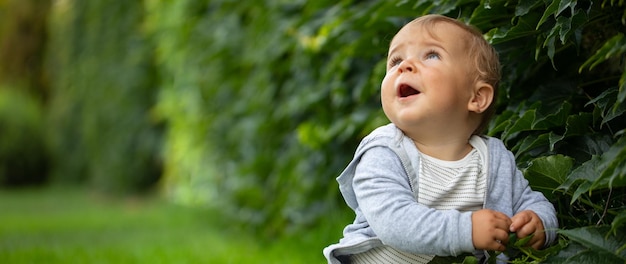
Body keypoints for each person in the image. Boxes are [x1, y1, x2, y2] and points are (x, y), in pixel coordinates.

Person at [323, 14, 558, 264]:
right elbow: (393, 221)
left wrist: (538, 222)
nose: (405, 66)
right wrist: (466, 230)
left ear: (476, 98)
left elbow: (528, 200)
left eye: (432, 55)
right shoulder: (383, 151)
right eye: (395, 61)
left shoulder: (493, 159)